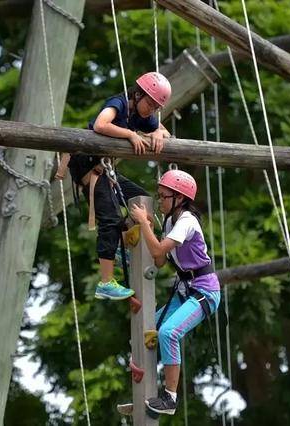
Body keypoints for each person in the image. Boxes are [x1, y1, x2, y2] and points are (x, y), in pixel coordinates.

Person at [57, 71, 172, 301]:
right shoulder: (118, 103)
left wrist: (159, 133)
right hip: (90, 168)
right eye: (150, 104)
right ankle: (106, 282)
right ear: (138, 95)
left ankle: (120, 246)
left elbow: (165, 132)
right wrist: (131, 134)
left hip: (106, 169)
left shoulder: (144, 115)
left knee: (142, 200)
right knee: (109, 219)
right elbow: (101, 124)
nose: (151, 110)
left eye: (156, 107)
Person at [130, 169, 221, 416]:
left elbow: (158, 252)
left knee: (169, 332)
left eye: (163, 196)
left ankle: (170, 398)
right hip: (185, 291)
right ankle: (142, 389)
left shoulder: (187, 222)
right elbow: (160, 261)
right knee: (146, 329)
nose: (159, 201)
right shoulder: (170, 222)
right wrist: (149, 226)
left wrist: (143, 223)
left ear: (179, 198)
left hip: (204, 292)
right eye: (158, 195)